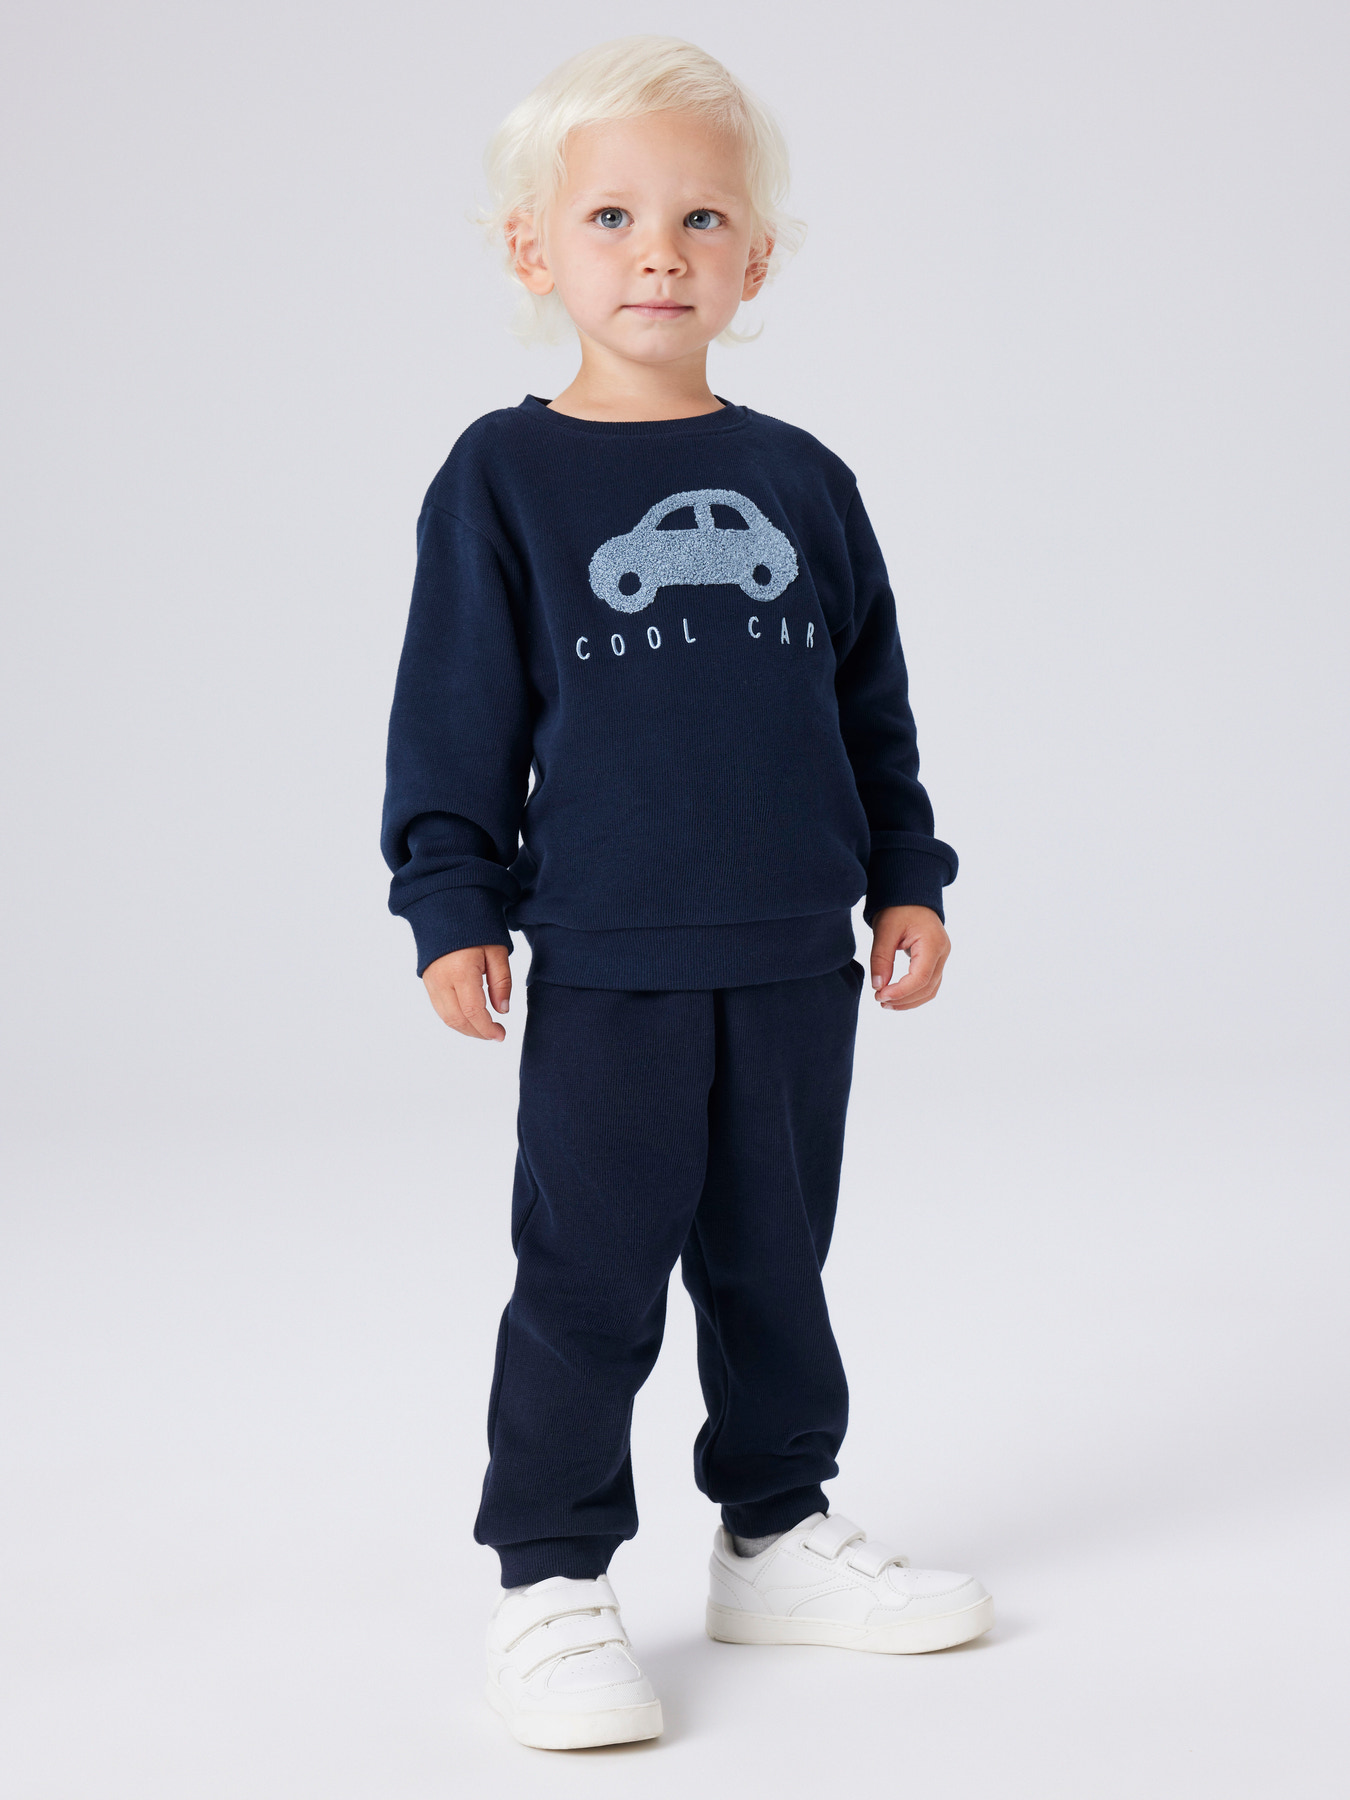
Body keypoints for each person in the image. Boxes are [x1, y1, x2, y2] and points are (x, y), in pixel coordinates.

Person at [380, 34, 993, 1752]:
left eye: (700, 216)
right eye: (611, 216)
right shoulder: (502, 478)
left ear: (754, 260)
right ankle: (550, 1577)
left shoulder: (801, 483)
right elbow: (451, 715)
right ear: (533, 249)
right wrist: (451, 900)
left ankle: (774, 1532)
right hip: (612, 964)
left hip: (794, 957)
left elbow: (868, 712)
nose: (658, 250)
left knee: (775, 1263)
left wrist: (906, 877)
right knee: (587, 1276)